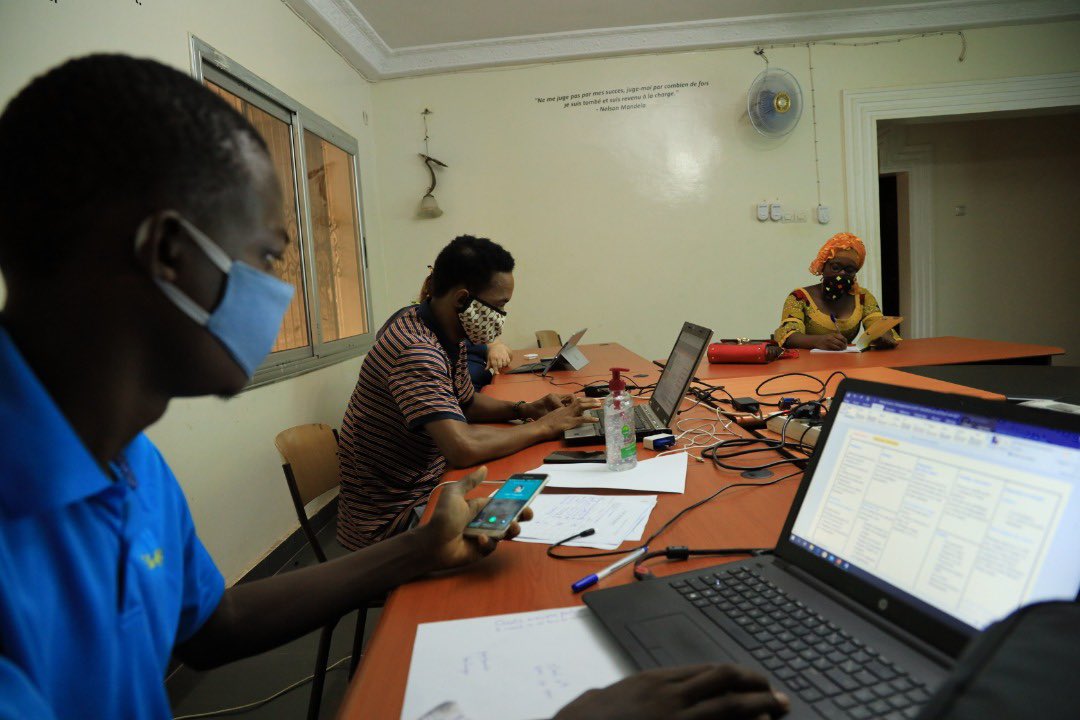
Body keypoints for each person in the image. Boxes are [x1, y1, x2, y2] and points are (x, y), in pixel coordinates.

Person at [0, 54, 788, 720]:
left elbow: (213, 624)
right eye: (271, 256)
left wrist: (417, 551)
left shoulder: (126, 459)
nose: (279, 292)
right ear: (170, 256)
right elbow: (457, 434)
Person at [337, 236, 600, 550]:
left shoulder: (443, 332)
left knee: (529, 501)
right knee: (533, 535)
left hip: (431, 484)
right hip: (392, 522)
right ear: (462, 299)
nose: (502, 317)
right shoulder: (415, 350)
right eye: (500, 305)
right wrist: (547, 426)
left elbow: (468, 403)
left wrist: (526, 409)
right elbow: (461, 447)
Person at [773, 233, 901, 351]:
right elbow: (788, 336)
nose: (841, 274)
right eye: (835, 267)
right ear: (823, 266)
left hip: (848, 364)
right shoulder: (799, 297)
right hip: (808, 367)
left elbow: (877, 324)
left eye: (849, 270)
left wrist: (884, 335)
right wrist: (817, 341)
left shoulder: (862, 296)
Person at [420, 267, 511, 389]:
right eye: (497, 305)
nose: (497, 315)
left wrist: (497, 347)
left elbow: (468, 399)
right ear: (461, 299)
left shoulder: (468, 330)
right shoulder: (422, 346)